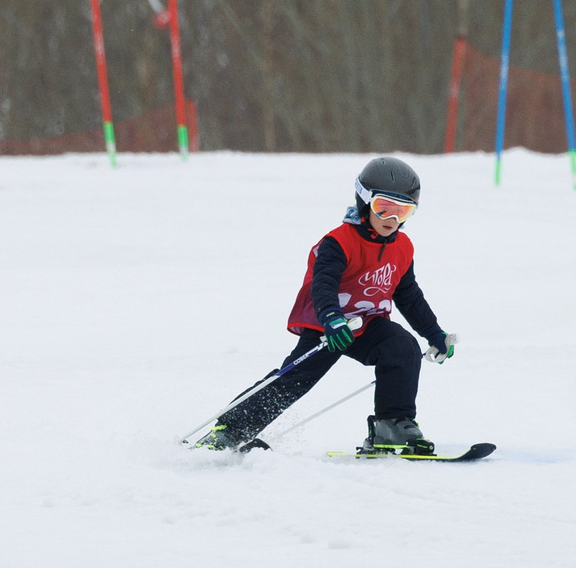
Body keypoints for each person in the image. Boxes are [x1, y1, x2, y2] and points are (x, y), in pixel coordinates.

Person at [191, 156, 456, 456]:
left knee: (402, 347)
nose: (392, 219)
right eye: (383, 208)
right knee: (295, 379)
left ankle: (392, 425)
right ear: (364, 201)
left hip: (368, 324)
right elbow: (324, 285)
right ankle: (230, 429)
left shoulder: (402, 248)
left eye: (402, 211)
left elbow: (409, 296)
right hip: (327, 325)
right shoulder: (339, 242)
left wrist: (433, 333)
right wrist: (332, 318)